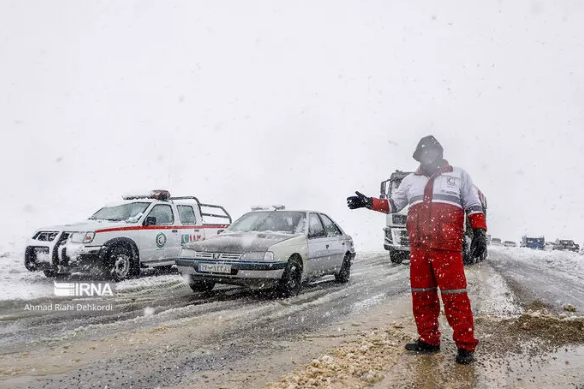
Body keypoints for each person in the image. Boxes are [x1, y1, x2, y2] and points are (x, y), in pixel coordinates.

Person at [346, 135, 487, 365]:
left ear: (439, 152)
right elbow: (393, 204)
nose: (428, 156)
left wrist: (480, 232)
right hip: (419, 249)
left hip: (448, 249)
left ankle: (465, 345)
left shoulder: (459, 175)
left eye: (431, 151)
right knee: (422, 297)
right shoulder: (410, 180)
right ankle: (429, 341)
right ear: (419, 156)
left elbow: (473, 205)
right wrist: (368, 202)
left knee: (455, 298)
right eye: (424, 153)